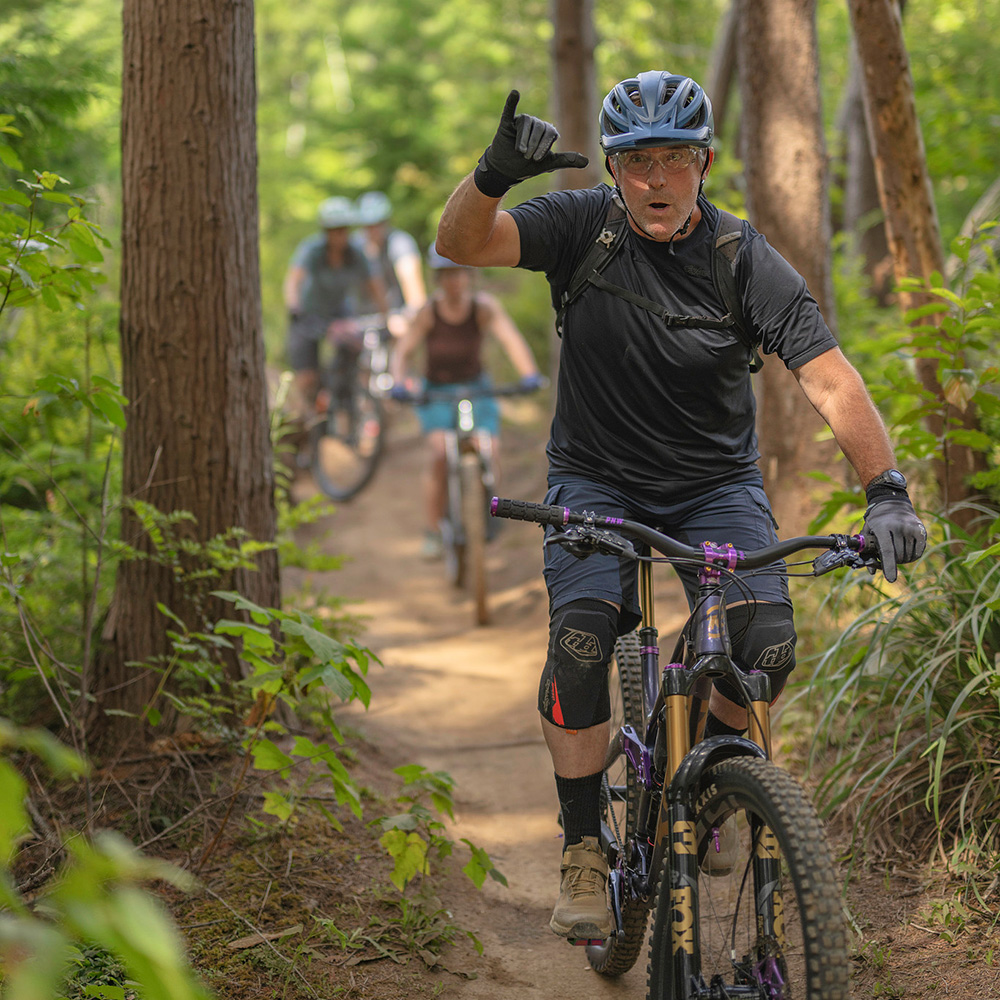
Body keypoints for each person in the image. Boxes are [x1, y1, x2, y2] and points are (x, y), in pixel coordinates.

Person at [435, 73, 927, 942]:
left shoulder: (742, 256)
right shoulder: (582, 224)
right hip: (596, 480)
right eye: (635, 162)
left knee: (766, 643)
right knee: (585, 635)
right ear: (615, 171)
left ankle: (710, 778)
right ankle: (585, 846)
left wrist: (885, 490)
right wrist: (490, 177)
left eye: (673, 159)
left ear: (703, 163)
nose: (654, 180)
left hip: (714, 488)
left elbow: (827, 375)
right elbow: (464, 246)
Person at [389, 243, 544, 560]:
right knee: (438, 454)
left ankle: (485, 513)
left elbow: (510, 339)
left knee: (491, 449)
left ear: (469, 276)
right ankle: (433, 530)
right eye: (447, 275)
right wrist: (398, 381)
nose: (454, 281)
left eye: (459, 273)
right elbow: (403, 352)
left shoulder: (484, 308)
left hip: (477, 390)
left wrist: (529, 374)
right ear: (438, 279)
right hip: (436, 393)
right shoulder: (428, 313)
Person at [283, 195, 389, 418]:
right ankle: (311, 418)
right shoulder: (312, 251)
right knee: (307, 378)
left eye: (343, 229)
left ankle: (346, 401)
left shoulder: (357, 254)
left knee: (353, 347)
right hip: (308, 314)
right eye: (334, 230)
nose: (339, 235)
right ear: (326, 231)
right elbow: (294, 280)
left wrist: (386, 316)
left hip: (340, 312)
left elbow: (375, 286)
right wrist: (294, 308)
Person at [355, 190, 427, 336]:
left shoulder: (400, 243)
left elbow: (413, 289)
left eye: (377, 224)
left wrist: (412, 316)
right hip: (360, 318)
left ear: (386, 222)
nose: (373, 230)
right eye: (367, 225)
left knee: (405, 343)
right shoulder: (354, 246)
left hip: (398, 315)